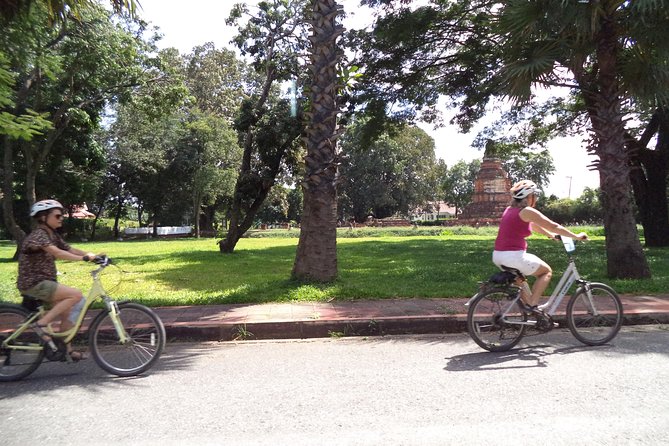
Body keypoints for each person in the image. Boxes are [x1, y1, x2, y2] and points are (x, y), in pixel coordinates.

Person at [17, 199, 98, 361]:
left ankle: (66, 351)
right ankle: (41, 324)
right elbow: (58, 253)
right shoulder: (39, 235)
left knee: (67, 312)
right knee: (75, 295)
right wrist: (83, 259)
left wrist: (94, 256)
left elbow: (69, 249)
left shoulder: (52, 234)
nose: (61, 218)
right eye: (58, 215)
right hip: (34, 284)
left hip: (45, 283)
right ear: (43, 217)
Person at [492, 180, 588, 313]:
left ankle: (529, 310)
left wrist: (550, 235)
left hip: (498, 256)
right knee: (546, 271)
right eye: (534, 196)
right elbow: (554, 225)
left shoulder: (510, 210)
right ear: (529, 197)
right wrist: (576, 236)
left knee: (519, 280)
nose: (535, 199)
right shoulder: (527, 211)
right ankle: (532, 305)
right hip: (513, 256)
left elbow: (532, 224)